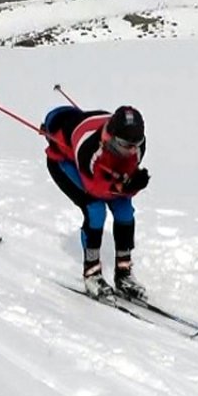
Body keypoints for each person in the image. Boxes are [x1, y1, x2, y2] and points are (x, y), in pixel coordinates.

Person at [41, 105, 150, 299]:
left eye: (136, 143)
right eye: (126, 144)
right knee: (95, 209)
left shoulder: (136, 146)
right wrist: (125, 186)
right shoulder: (89, 148)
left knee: (124, 210)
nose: (133, 149)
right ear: (112, 137)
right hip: (65, 162)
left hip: (105, 163)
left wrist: (131, 185)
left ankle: (123, 274)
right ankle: (91, 272)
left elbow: (124, 182)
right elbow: (96, 189)